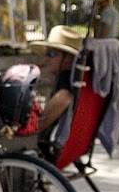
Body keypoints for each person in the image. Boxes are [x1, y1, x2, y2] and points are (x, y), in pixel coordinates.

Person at [29, 25, 84, 156]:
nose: (46, 59)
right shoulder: (75, 78)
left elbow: (63, 99)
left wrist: (35, 127)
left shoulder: (67, 82)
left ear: (69, 58)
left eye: (51, 54)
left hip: (50, 147)